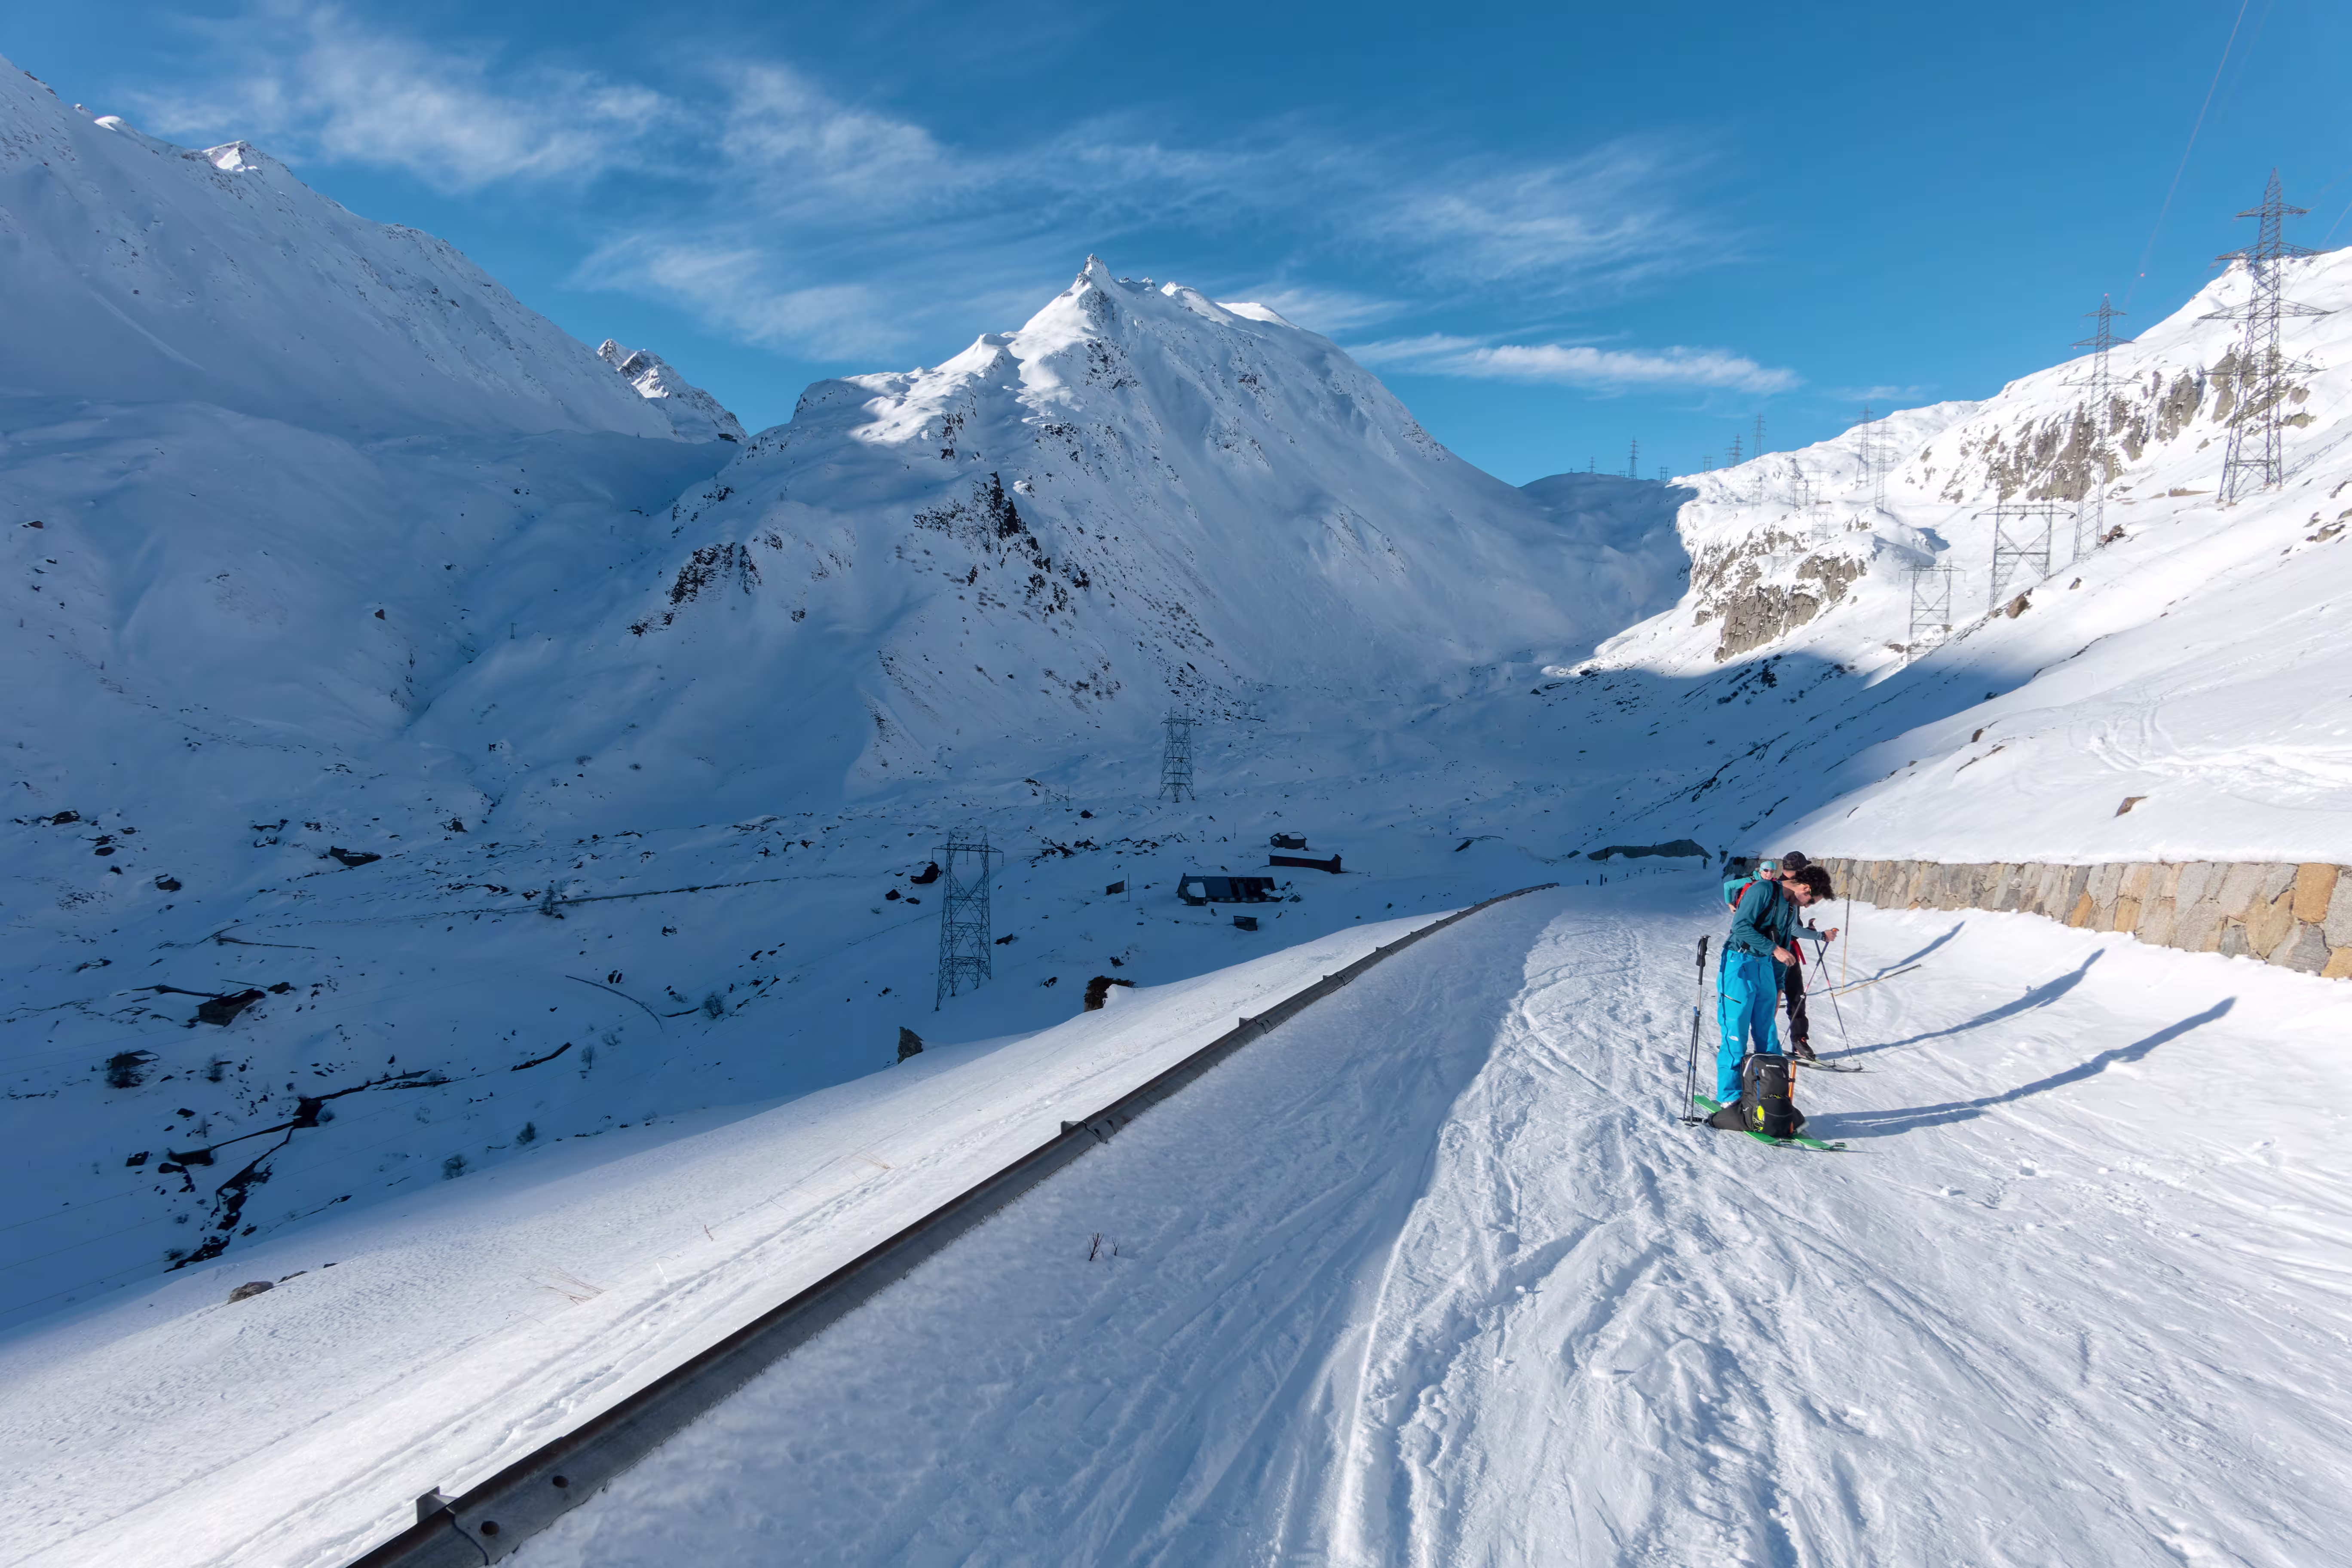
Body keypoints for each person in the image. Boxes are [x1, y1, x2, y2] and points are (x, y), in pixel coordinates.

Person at [1712, 861, 1831, 1111]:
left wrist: (1778, 986)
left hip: (1766, 968)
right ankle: (1730, 1099)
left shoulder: (1789, 909)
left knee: (1768, 1035)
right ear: (1806, 888)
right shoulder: (1763, 890)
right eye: (1810, 902)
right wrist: (1774, 950)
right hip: (1739, 963)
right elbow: (1741, 926)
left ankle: (1769, 1095)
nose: (1807, 906)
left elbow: (1785, 945)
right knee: (1736, 1033)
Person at [1774, 853, 1839, 1061]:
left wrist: (1806, 927)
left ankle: (1790, 1040)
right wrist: (1821, 935)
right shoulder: (1789, 891)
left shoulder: (1778, 886)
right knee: (1791, 996)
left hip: (1780, 949)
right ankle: (1794, 1040)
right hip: (1780, 951)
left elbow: (1792, 925)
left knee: (1788, 996)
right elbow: (1792, 928)